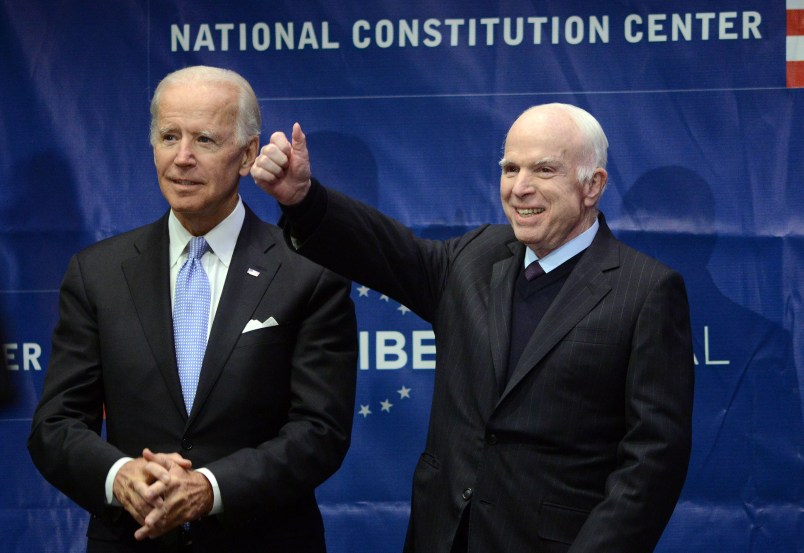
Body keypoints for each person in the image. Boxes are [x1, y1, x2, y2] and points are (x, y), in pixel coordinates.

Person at [250, 103, 695, 553]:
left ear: (592, 185)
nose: (520, 188)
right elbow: (385, 251)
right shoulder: (477, 255)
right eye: (510, 168)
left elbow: (652, 462)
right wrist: (303, 198)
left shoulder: (645, 291)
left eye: (543, 170)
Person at [28, 66, 358, 553]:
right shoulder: (96, 274)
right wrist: (118, 476)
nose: (181, 158)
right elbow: (55, 426)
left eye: (204, 139)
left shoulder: (307, 272)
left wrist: (210, 489)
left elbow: (320, 431)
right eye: (168, 137)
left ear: (247, 155)